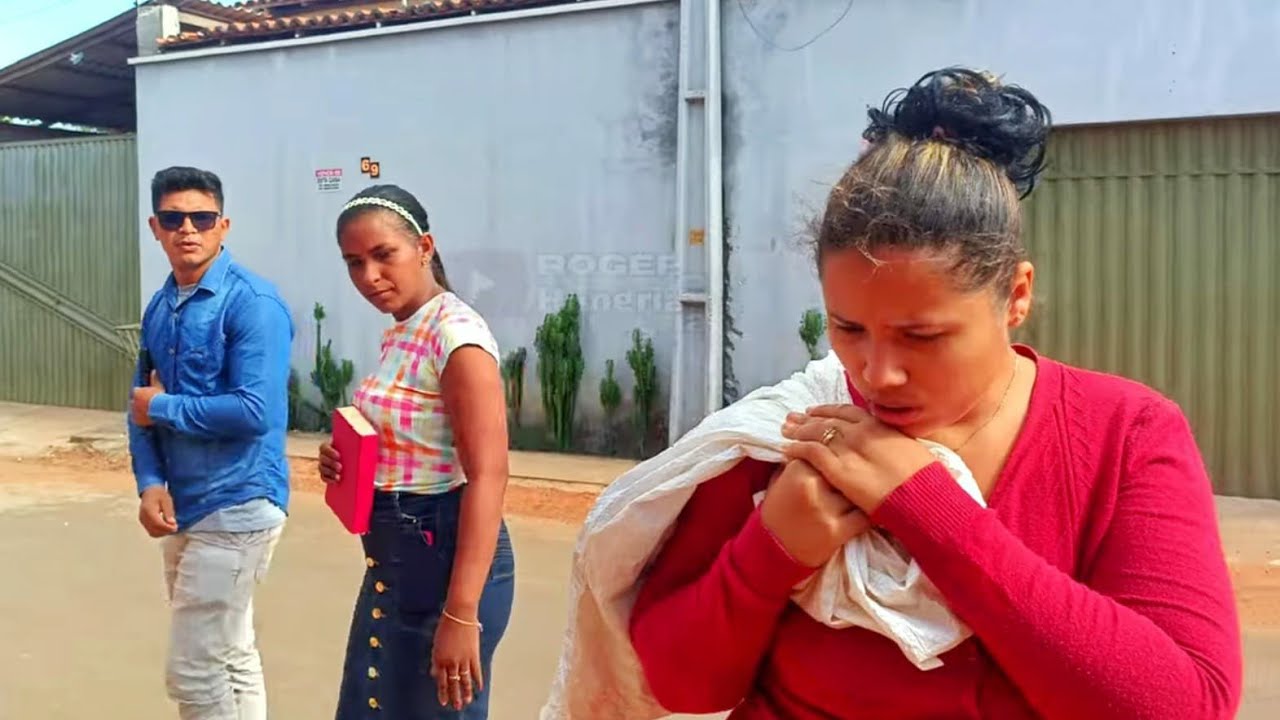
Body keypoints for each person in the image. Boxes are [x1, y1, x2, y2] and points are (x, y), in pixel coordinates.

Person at [546, 68, 1244, 719]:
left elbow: (1183, 703)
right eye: (848, 327)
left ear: (1016, 297)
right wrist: (770, 549)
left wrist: (930, 511)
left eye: (923, 336)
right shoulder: (792, 435)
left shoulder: (1124, 434)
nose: (878, 374)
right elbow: (681, 685)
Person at [318, 184, 515, 719]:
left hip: (445, 561)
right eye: (354, 263)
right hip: (395, 559)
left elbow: (489, 476)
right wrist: (345, 463)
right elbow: (409, 436)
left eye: (385, 256)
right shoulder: (405, 329)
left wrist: (461, 614)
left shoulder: (457, 337)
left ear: (424, 247)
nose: (370, 277)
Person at [127, 166, 295, 720]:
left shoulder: (253, 305)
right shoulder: (160, 307)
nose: (187, 230)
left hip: (240, 503)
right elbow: (138, 407)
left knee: (193, 670)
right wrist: (151, 483)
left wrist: (164, 406)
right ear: (156, 227)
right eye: (173, 218)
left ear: (223, 226)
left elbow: (255, 412)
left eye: (201, 218)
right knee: (231, 652)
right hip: (186, 505)